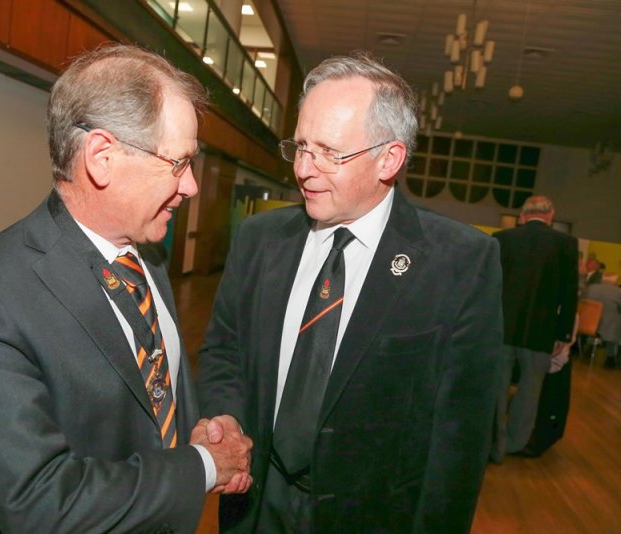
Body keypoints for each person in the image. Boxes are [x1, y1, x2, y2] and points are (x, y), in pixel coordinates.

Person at [0, 44, 252, 533]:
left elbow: (153, 390)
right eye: (179, 163)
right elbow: (38, 503)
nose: (190, 186)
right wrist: (205, 466)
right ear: (102, 158)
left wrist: (205, 431)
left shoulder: (148, 254)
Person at [196, 52, 503, 533]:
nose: (304, 169)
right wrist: (226, 419)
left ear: (389, 159)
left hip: (373, 517)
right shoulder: (259, 240)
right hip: (255, 504)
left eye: (329, 152)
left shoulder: (460, 262)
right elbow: (224, 350)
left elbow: (459, 435)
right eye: (300, 147)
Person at [491, 195, 578, 461]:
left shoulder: (502, 238)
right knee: (529, 393)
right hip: (541, 332)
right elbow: (569, 292)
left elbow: (491, 285)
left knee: (496, 389)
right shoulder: (565, 244)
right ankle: (515, 444)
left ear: (522, 215)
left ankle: (494, 444)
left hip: (502, 328)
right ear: (550, 215)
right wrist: (563, 333)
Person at [587, 272, 621, 367]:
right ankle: (610, 357)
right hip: (607, 326)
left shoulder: (591, 288)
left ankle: (589, 347)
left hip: (588, 322)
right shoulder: (619, 292)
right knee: (616, 323)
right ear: (615, 282)